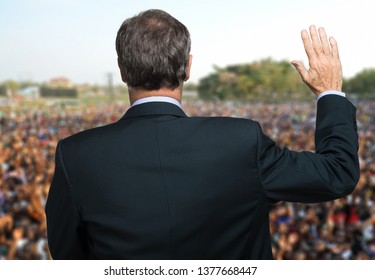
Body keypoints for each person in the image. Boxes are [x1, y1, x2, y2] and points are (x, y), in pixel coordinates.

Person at [45, 9, 359, 259]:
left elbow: (68, 255)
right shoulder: (240, 141)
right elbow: (337, 173)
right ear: (188, 67)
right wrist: (329, 93)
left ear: (123, 70)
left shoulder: (76, 154)